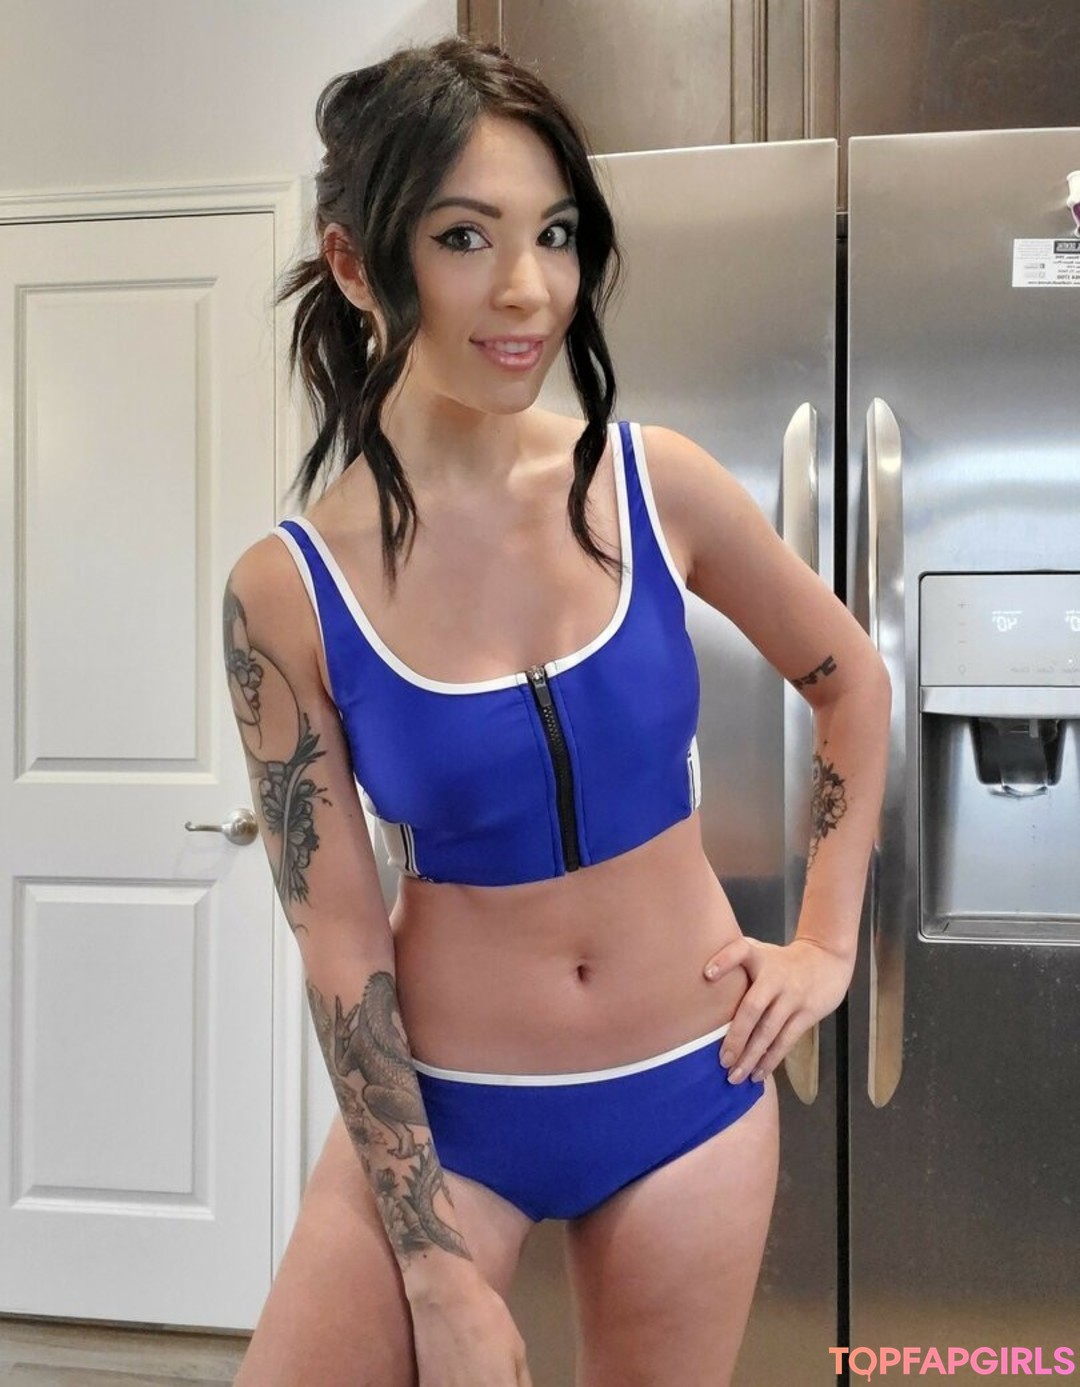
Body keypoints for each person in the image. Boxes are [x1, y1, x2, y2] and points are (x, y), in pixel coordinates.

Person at [224, 35, 890, 1387]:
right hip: (452, 1120)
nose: (529, 288)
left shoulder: (655, 485)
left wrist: (827, 944)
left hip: (692, 1088)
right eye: (465, 237)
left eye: (558, 234)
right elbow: (340, 941)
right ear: (356, 264)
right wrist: (435, 1274)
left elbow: (850, 681)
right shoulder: (288, 593)